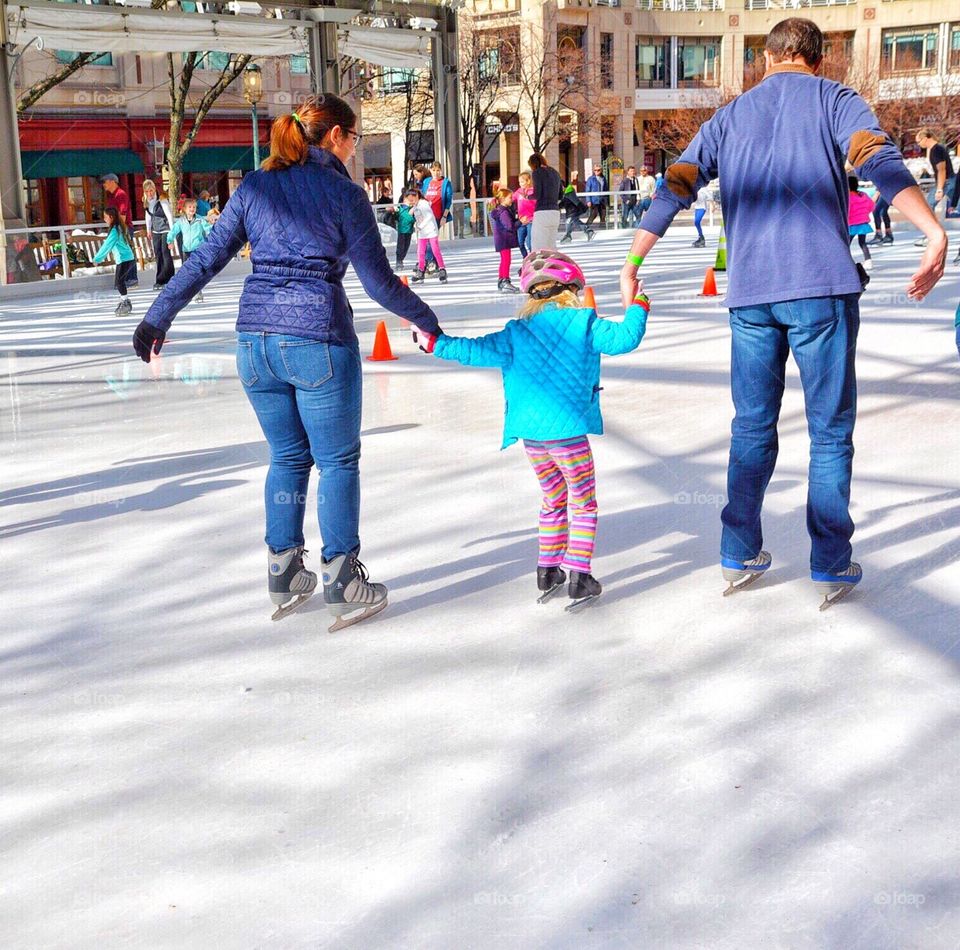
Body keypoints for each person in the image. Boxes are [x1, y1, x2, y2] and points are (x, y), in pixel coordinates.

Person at [619, 17, 947, 608]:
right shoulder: (836, 99)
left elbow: (677, 182)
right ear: (818, 60)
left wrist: (632, 259)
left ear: (766, 59)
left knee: (750, 427)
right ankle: (830, 562)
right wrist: (932, 231)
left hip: (750, 296)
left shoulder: (729, 117)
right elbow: (878, 161)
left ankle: (739, 547)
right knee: (828, 431)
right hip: (820, 289)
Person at [132, 94, 443, 631]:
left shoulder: (254, 186)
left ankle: (283, 570)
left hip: (255, 345)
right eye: (354, 137)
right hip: (317, 339)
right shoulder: (345, 195)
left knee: (287, 457)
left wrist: (156, 317)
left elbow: (205, 257)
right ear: (336, 137)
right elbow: (378, 283)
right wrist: (425, 318)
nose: (354, 147)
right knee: (337, 462)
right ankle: (343, 581)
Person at [421, 251, 650, 607]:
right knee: (584, 503)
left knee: (553, 500)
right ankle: (579, 574)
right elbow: (625, 339)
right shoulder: (585, 323)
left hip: (533, 440)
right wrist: (639, 302)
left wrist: (435, 342)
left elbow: (473, 350)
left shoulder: (515, 333)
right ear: (572, 288)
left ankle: (547, 569)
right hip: (569, 436)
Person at [167, 198, 212, 304]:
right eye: (190, 207)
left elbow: (209, 229)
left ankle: (198, 291)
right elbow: (173, 231)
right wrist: (170, 240)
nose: (192, 209)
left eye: (194, 207)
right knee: (186, 272)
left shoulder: (200, 220)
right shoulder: (181, 222)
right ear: (185, 209)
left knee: (196, 271)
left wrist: (211, 237)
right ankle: (186, 292)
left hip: (198, 250)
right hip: (186, 250)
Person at [93, 206, 137, 316]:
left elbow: (107, 245)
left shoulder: (115, 231)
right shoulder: (119, 227)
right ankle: (124, 300)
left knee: (119, 282)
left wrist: (97, 259)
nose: (104, 219)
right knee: (119, 282)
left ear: (111, 217)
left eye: (105, 217)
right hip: (127, 258)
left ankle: (125, 301)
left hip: (124, 259)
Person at [913, 129, 950, 248]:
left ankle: (933, 235)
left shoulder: (937, 149)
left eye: (919, 141)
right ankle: (932, 235)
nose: (919, 144)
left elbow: (942, 169)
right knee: (929, 206)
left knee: (928, 206)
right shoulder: (935, 149)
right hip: (945, 181)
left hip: (946, 182)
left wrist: (939, 188)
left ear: (926, 138)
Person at [405, 188, 447, 283]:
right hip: (422, 233)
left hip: (431, 230)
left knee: (435, 250)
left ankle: (442, 269)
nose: (411, 202)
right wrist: (412, 207)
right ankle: (421, 270)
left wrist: (420, 226)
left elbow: (429, 217)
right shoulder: (416, 205)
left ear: (417, 196)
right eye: (409, 200)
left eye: (412, 200)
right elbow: (410, 213)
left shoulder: (423, 203)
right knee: (420, 252)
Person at [142, 179, 174, 291]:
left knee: (165, 253)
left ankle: (170, 279)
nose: (149, 193)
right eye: (147, 191)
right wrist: (148, 230)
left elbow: (169, 216)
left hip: (166, 230)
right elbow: (148, 216)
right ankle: (160, 280)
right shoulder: (146, 202)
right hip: (155, 231)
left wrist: (172, 232)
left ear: (155, 189)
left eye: (151, 190)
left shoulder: (162, 200)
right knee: (158, 254)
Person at [489, 187, 522, 294]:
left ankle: (502, 280)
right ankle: (505, 280)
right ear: (502, 199)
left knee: (504, 260)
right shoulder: (503, 212)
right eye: (509, 198)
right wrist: (520, 222)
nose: (511, 200)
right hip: (504, 239)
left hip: (502, 239)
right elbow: (509, 226)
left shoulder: (501, 210)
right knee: (506, 260)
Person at [529, 153, 562, 251]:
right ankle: (552, 265)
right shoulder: (555, 173)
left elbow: (537, 194)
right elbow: (561, 195)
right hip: (555, 212)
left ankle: (540, 266)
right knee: (551, 246)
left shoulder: (537, 172)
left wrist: (527, 196)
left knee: (538, 246)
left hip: (542, 212)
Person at [847, 173, 875, 270]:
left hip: (851, 224)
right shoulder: (863, 195)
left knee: (846, 244)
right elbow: (871, 206)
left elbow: (845, 210)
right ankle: (868, 261)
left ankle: (846, 262)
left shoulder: (847, 197)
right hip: (863, 223)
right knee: (862, 243)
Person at [560, 175, 595, 244]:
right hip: (571, 212)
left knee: (569, 222)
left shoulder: (569, 193)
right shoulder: (565, 194)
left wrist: (583, 208)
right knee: (573, 222)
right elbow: (563, 203)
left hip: (573, 211)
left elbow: (576, 201)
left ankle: (568, 236)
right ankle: (587, 231)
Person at [513, 171, 536, 260]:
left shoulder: (533, 192)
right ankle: (526, 258)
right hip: (522, 221)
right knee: (520, 242)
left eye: (522, 182)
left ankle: (532, 258)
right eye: (519, 182)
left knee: (529, 242)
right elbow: (511, 198)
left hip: (531, 220)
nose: (520, 184)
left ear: (528, 181)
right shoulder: (518, 192)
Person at [394, 193, 415, 271]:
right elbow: (407, 218)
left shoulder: (411, 209)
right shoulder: (401, 209)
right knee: (401, 246)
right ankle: (399, 260)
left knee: (406, 246)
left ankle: (401, 259)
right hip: (402, 231)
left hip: (409, 231)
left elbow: (414, 219)